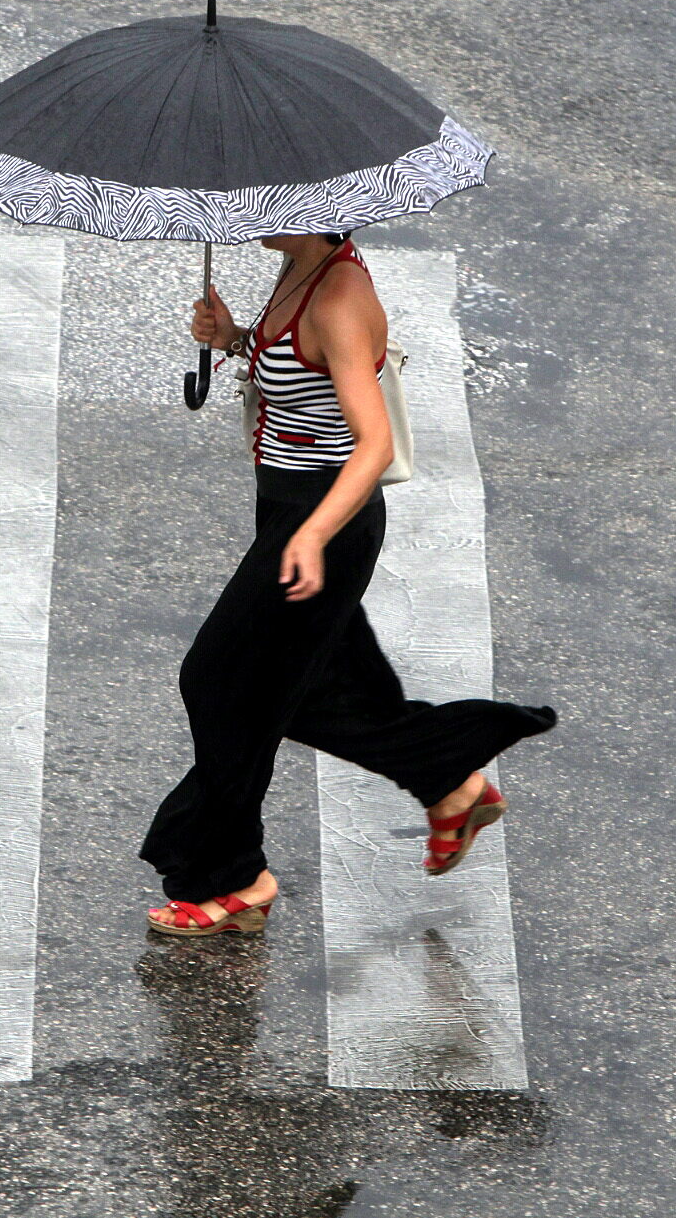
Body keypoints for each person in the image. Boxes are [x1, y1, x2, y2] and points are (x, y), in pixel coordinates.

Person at [140, 230, 557, 936]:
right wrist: (237, 337)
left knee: (216, 679)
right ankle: (449, 783)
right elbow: (303, 377)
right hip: (289, 509)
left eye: (266, 195)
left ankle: (232, 877)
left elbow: (375, 444)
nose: (249, 212)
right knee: (310, 691)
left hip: (324, 522)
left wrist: (310, 534)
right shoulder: (300, 263)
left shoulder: (338, 297)